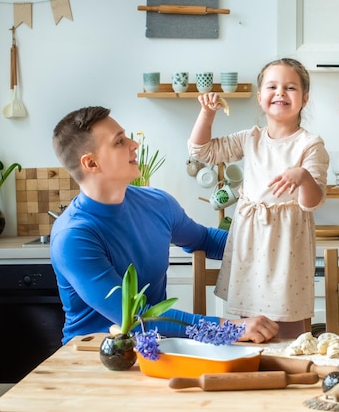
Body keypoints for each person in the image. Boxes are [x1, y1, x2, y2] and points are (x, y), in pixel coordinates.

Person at [50, 106, 279, 345]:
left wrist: (270, 246)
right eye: (119, 142)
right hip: (93, 357)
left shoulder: (157, 204)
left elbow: (204, 240)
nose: (133, 145)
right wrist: (230, 329)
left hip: (155, 347)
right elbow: (133, 317)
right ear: (91, 163)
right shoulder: (73, 237)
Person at [188, 58, 329, 338]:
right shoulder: (249, 138)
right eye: (272, 86)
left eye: (290, 87)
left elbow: (312, 202)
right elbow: (201, 152)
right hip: (250, 242)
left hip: (288, 244)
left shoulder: (310, 145)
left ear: (305, 99)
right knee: (251, 328)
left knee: (287, 324)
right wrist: (207, 114)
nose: (280, 93)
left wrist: (302, 176)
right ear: (260, 97)